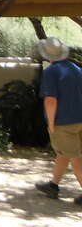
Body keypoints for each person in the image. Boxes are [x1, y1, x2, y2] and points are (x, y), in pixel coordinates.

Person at [34, 36, 82, 206]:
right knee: (64, 153)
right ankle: (53, 185)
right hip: (80, 119)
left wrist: (51, 123)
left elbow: (50, 100)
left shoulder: (51, 72)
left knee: (75, 157)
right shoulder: (77, 69)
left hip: (64, 122)